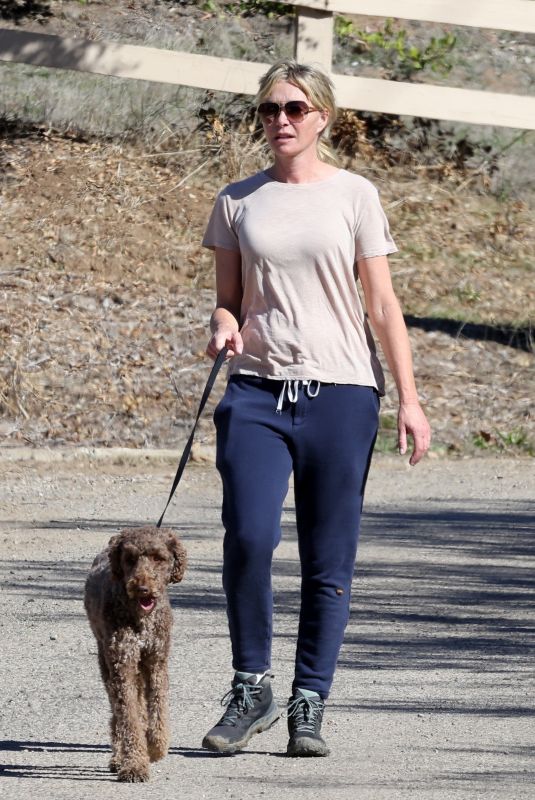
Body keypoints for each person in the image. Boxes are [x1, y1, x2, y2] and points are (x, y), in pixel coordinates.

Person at [201, 59, 431, 758]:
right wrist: (220, 324)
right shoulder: (237, 200)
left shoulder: (354, 195)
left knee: (327, 557)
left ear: (322, 116)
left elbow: (383, 304)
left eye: (295, 108)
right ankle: (251, 687)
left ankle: (309, 700)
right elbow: (227, 297)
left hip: (341, 393)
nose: (280, 120)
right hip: (257, 391)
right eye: (269, 109)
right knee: (248, 538)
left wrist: (410, 400)